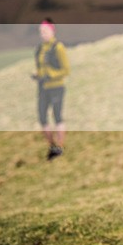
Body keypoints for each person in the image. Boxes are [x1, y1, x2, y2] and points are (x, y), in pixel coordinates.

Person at [32, 18, 70, 160]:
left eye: (45, 31)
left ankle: (59, 147)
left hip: (56, 87)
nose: (43, 34)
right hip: (42, 88)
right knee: (42, 118)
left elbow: (66, 70)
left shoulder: (58, 47)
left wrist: (51, 75)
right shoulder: (40, 49)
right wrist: (38, 75)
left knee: (57, 116)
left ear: (52, 30)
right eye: (41, 32)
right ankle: (52, 146)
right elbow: (41, 68)